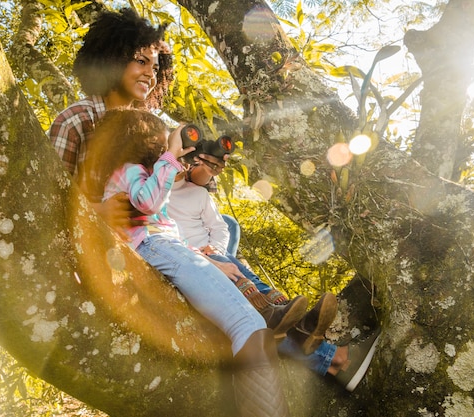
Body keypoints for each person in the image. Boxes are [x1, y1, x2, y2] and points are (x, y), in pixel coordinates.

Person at [86, 108, 290, 416]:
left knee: (248, 323)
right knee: (247, 324)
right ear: (137, 140)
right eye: (159, 135)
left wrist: (211, 262)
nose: (167, 141)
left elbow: (171, 232)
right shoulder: (128, 170)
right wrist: (169, 155)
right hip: (154, 246)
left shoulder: (141, 173)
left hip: (166, 247)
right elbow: (148, 203)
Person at [167, 175, 382, 391]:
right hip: (191, 260)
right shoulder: (149, 191)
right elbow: (163, 235)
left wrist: (214, 250)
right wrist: (205, 257)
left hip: (215, 253)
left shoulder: (195, 193)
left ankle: (302, 330)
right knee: (251, 301)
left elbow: (222, 228)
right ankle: (333, 357)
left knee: (256, 285)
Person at [47, 8, 223, 233]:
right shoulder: (75, 120)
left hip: (152, 244)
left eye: (156, 68)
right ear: (111, 60)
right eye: (141, 61)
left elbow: (178, 181)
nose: (151, 74)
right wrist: (97, 212)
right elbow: (50, 194)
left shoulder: (152, 127)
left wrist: (207, 168)